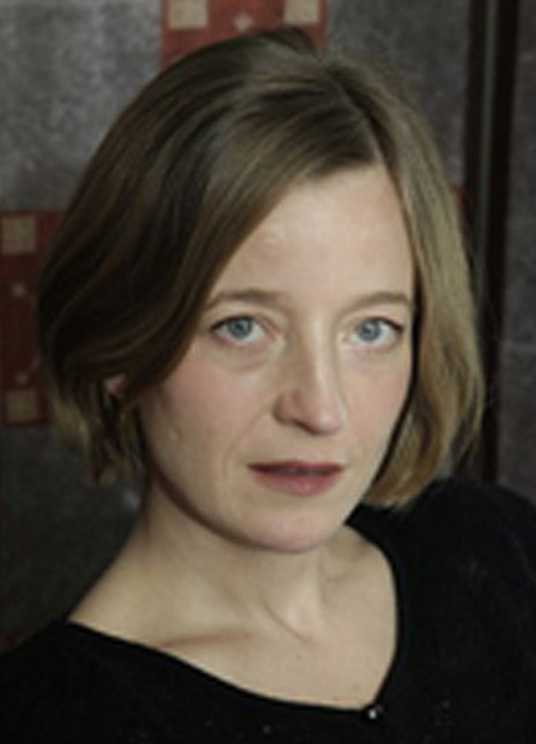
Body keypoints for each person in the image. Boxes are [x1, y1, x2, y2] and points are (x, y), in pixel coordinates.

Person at [1, 26, 536, 743]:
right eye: (242, 327)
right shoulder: (50, 719)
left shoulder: (499, 554)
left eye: (371, 330)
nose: (321, 409)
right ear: (120, 348)